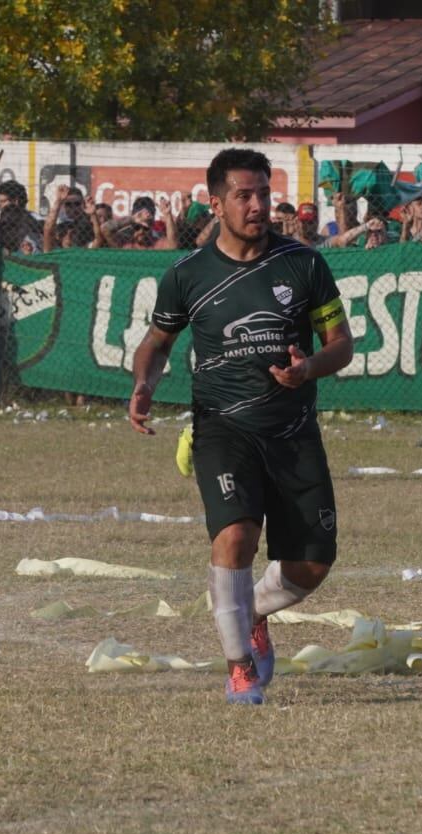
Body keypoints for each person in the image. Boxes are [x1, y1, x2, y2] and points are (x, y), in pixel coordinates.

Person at [128, 148, 353, 705]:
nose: (257, 207)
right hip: (222, 428)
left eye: (263, 194)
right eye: (243, 196)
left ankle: (247, 611)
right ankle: (238, 668)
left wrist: (308, 369)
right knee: (235, 537)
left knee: (312, 565)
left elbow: (341, 346)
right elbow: (156, 346)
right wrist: (144, 386)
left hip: (293, 430)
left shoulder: (303, 265)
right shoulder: (187, 275)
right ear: (216, 202)